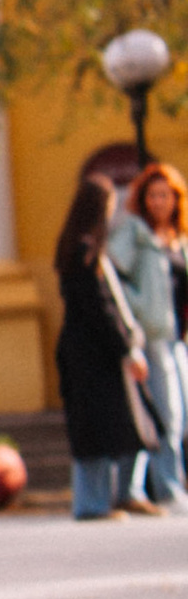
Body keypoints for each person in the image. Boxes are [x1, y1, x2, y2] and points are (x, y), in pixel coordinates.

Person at [53, 171, 150, 522]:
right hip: (93, 353)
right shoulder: (86, 252)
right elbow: (101, 308)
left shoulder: (72, 247)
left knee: (96, 428)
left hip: (81, 350)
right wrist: (125, 349)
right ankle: (93, 504)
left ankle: (105, 498)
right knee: (97, 429)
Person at [107, 164, 188, 511]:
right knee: (165, 414)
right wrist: (138, 310)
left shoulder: (177, 238)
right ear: (142, 198)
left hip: (177, 336)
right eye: (153, 195)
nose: (160, 202)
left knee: (181, 413)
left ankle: (167, 484)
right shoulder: (134, 232)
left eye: (165, 195)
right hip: (153, 335)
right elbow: (110, 271)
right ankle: (168, 490)